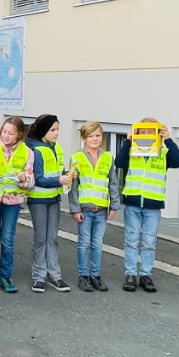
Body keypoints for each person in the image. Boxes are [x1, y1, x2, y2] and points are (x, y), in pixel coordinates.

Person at [115, 117, 179, 292]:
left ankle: (146, 275)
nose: (146, 135)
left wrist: (168, 138)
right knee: (131, 240)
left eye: (151, 132)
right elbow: (119, 162)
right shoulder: (132, 151)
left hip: (153, 205)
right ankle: (130, 274)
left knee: (149, 242)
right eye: (143, 132)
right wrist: (128, 140)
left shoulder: (163, 153)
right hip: (133, 203)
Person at [0, 116, 34, 294]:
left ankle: (6, 275)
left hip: (13, 201)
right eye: (4, 132)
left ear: (19, 135)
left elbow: (31, 180)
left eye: (11, 133)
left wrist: (25, 179)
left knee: (8, 239)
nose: (7, 136)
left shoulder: (27, 152)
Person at [68, 122, 120, 292]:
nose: (95, 139)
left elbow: (113, 182)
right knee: (83, 243)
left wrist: (114, 206)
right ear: (83, 138)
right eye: (91, 136)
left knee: (97, 243)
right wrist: (75, 209)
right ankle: (83, 276)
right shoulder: (77, 157)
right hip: (84, 209)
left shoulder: (107, 156)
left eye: (98, 135)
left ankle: (95, 276)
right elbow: (73, 187)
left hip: (102, 209)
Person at [25, 114, 72, 293]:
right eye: (53, 130)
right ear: (43, 131)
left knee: (52, 238)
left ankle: (54, 275)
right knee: (40, 239)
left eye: (58, 129)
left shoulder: (56, 148)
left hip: (54, 198)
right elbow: (38, 179)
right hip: (38, 199)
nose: (56, 133)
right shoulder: (35, 150)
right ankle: (39, 277)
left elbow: (56, 171)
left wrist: (67, 175)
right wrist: (59, 180)